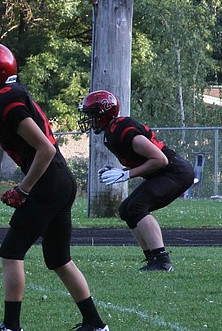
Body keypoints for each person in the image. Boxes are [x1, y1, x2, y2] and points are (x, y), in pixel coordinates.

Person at [0, 42, 109, 331]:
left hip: (48, 180)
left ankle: (12, 330)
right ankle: (95, 326)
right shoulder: (9, 95)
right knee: (58, 259)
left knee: (11, 252)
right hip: (60, 179)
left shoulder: (3, 102)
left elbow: (44, 147)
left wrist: (23, 188)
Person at [79, 90, 195, 272]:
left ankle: (162, 261)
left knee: (137, 207)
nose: (89, 119)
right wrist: (120, 171)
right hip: (164, 172)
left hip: (175, 171)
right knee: (126, 209)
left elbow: (160, 159)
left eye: (91, 114)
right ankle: (152, 259)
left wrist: (126, 175)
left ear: (103, 113)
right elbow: (143, 161)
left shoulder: (122, 130)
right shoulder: (111, 132)